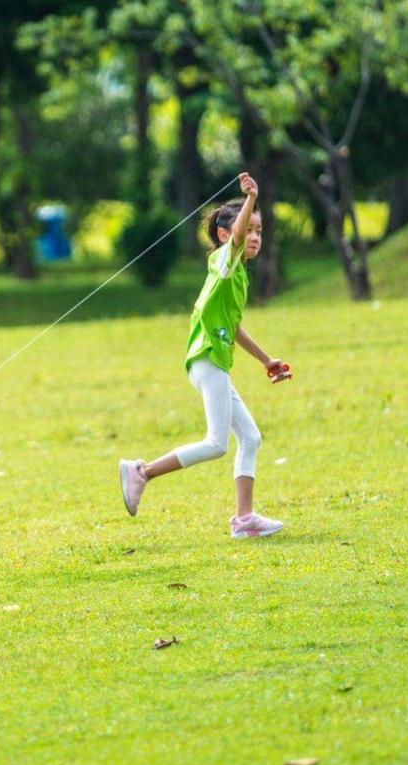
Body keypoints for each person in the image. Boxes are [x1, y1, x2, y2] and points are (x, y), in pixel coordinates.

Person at [119, 173, 292, 538]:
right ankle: (142, 472)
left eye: (260, 230)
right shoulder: (222, 263)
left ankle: (244, 520)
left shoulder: (238, 275)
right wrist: (250, 199)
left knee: (251, 437)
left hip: (213, 362)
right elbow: (233, 245)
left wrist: (266, 360)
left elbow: (235, 325)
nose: (256, 236)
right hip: (207, 360)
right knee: (216, 443)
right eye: (250, 229)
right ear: (226, 236)